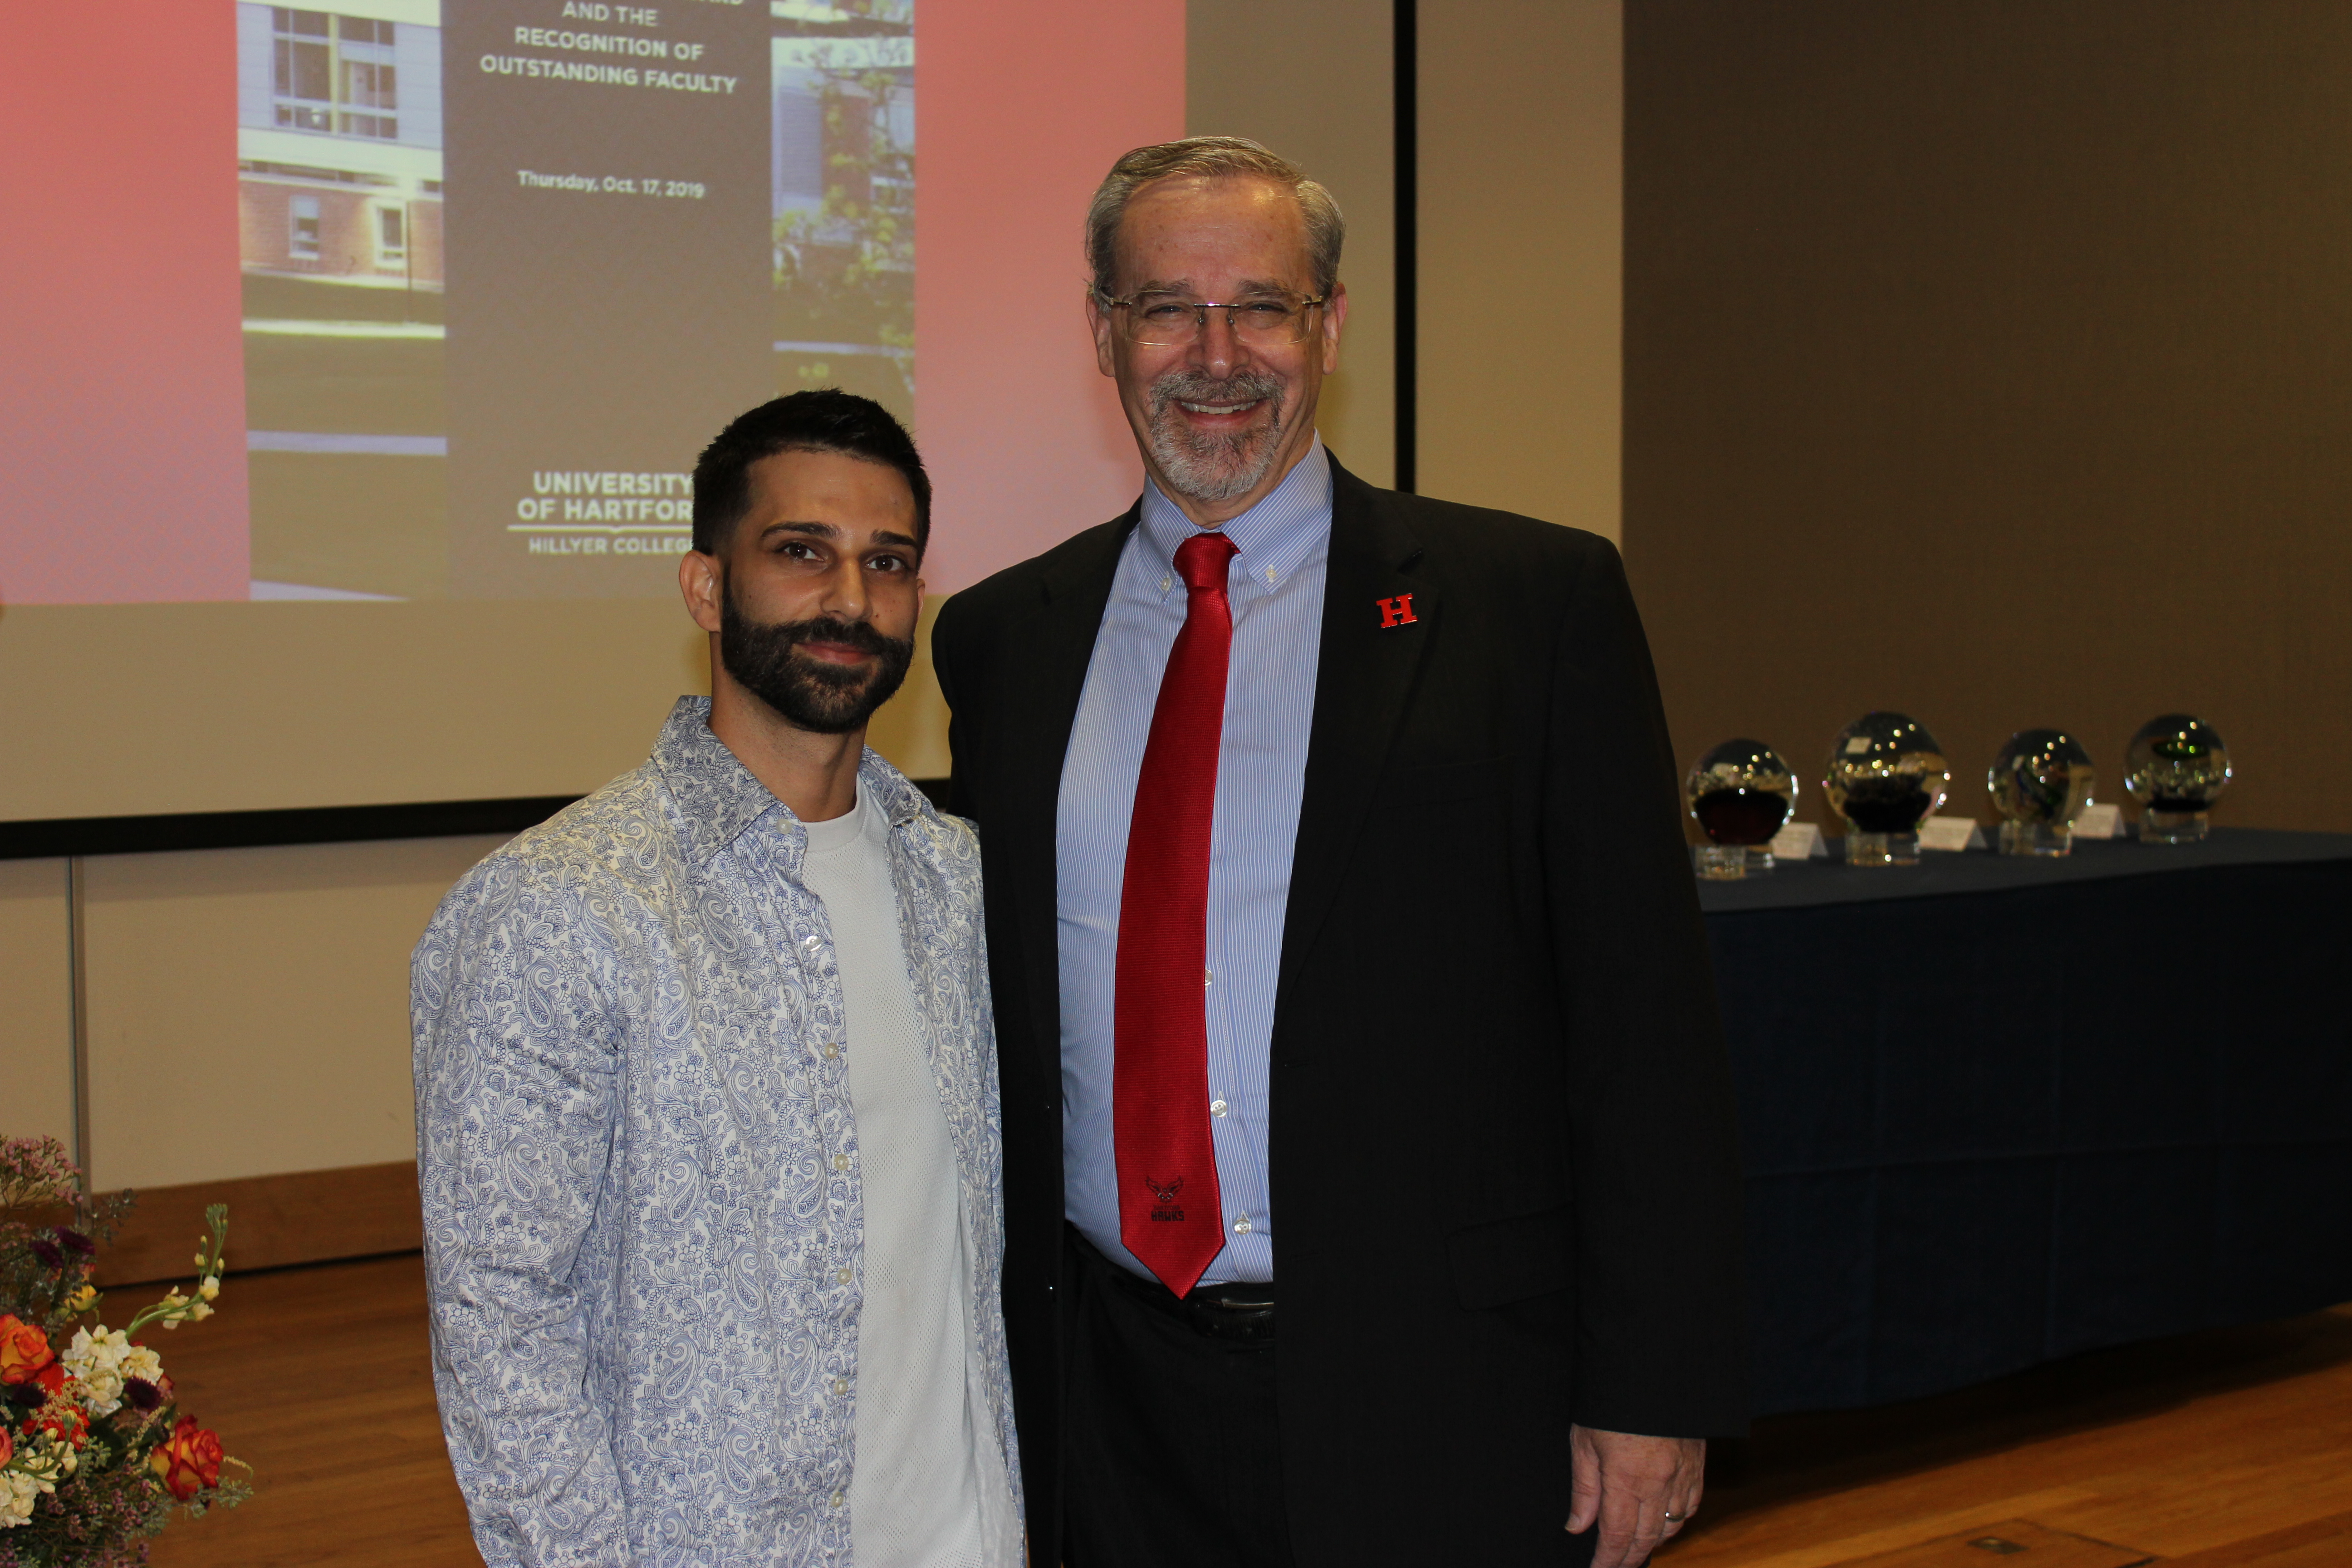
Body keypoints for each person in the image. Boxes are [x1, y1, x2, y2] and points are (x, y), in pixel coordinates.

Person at [931, 138, 1748, 1567]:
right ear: (1104, 334)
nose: (1217, 355)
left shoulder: (1531, 606)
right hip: (1106, 1397)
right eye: (1167, 309)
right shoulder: (1006, 638)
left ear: (1332, 324)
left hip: (1438, 1386)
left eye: (1262, 305)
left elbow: (1647, 1032)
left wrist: (1649, 1389)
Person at [413, 390, 1021, 1568]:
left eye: (887, 563)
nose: (850, 599)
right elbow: (503, 1336)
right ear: (706, 587)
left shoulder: (963, 890)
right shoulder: (558, 908)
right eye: (802, 553)